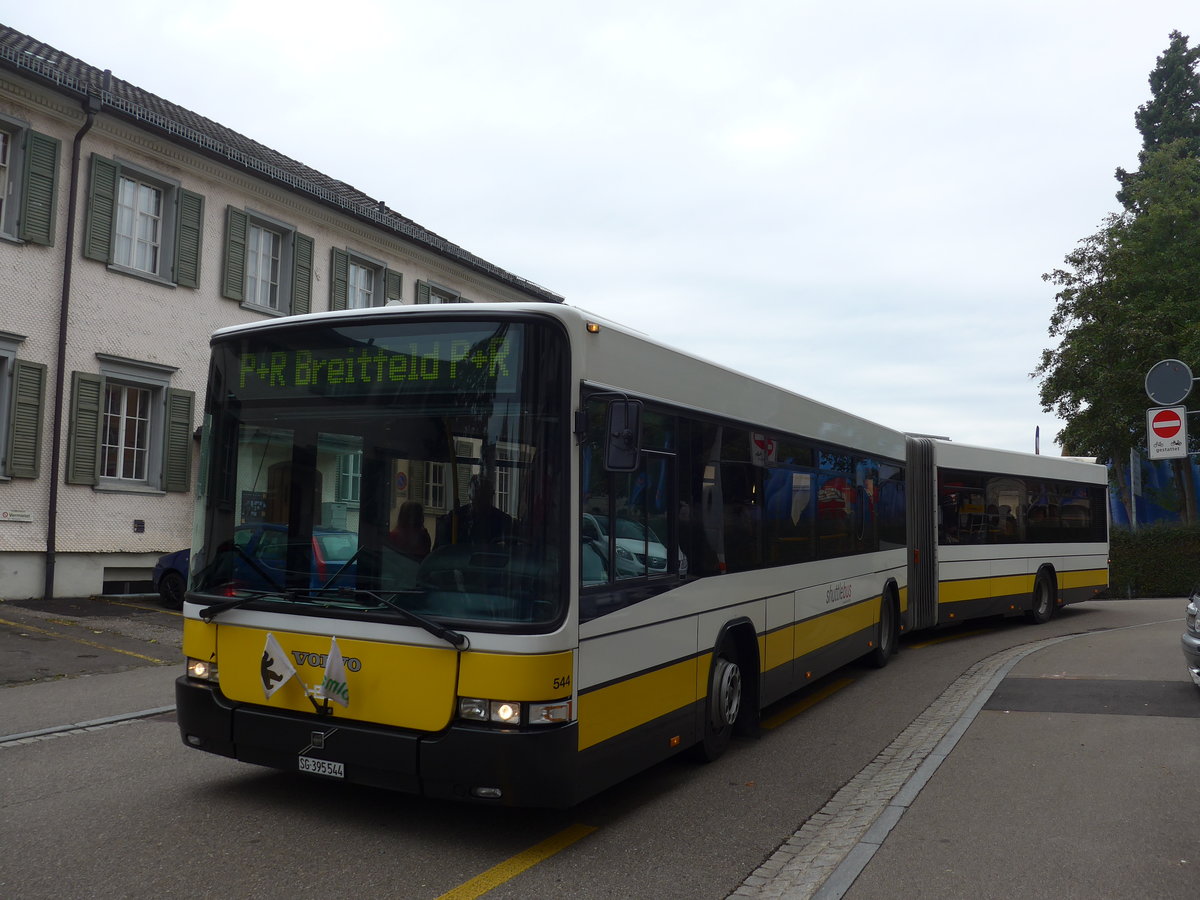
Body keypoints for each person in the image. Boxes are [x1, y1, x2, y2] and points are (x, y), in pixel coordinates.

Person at [435, 474, 514, 547]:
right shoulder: (455, 518)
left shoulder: (504, 521)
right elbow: (442, 549)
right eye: (478, 495)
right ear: (470, 496)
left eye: (484, 495)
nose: (481, 502)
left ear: (491, 496)